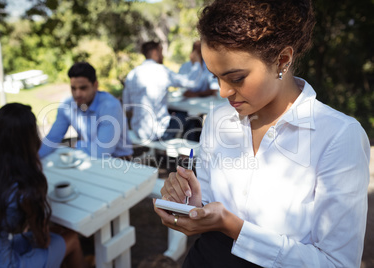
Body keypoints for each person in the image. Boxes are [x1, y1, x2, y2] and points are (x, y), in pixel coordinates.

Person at [154, 0, 370, 267]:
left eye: (236, 78)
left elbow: (338, 263)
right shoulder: (219, 119)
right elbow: (210, 202)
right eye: (215, 77)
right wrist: (189, 203)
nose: (223, 92)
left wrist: (235, 228)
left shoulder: (338, 136)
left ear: (282, 60)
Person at [0, 103, 86, 267]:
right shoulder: (26, 185)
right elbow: (43, 241)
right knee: (72, 239)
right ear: (31, 139)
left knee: (57, 234)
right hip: (0, 264)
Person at [39, 62, 133, 159]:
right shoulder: (67, 105)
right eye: (73, 88)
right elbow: (52, 139)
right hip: (89, 157)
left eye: (83, 88)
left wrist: (76, 144)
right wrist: (32, 159)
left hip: (119, 160)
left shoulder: (110, 106)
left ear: (95, 85)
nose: (77, 94)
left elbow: (101, 152)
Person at [123, 41, 204, 142]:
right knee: (193, 119)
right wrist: (196, 62)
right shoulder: (161, 71)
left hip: (138, 131)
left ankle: (177, 154)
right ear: (154, 53)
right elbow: (192, 82)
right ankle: (189, 155)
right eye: (161, 52)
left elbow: (128, 105)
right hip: (158, 133)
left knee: (177, 116)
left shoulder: (132, 74)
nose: (163, 56)